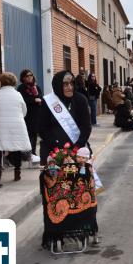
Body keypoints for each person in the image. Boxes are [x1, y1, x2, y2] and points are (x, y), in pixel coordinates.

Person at [39, 70, 97, 249]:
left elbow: (86, 126)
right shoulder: (48, 102)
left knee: (80, 188)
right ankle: (55, 231)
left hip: (77, 151)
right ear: (58, 85)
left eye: (71, 83)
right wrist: (56, 148)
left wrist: (77, 147)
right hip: (53, 152)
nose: (69, 87)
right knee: (54, 191)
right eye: (65, 84)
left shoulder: (80, 100)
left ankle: (84, 226)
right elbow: (42, 128)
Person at [0, 72, 32, 182]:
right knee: (15, 146)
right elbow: (24, 111)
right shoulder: (18, 94)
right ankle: (17, 172)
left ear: (1, 82)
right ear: (14, 82)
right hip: (16, 124)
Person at [17, 69, 42, 162]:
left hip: (37, 114)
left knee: (34, 134)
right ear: (23, 78)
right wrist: (34, 100)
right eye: (27, 76)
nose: (30, 77)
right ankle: (26, 154)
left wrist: (40, 100)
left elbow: (41, 97)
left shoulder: (37, 87)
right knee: (27, 134)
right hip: (27, 114)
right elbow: (22, 101)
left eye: (31, 75)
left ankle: (33, 152)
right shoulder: (21, 88)